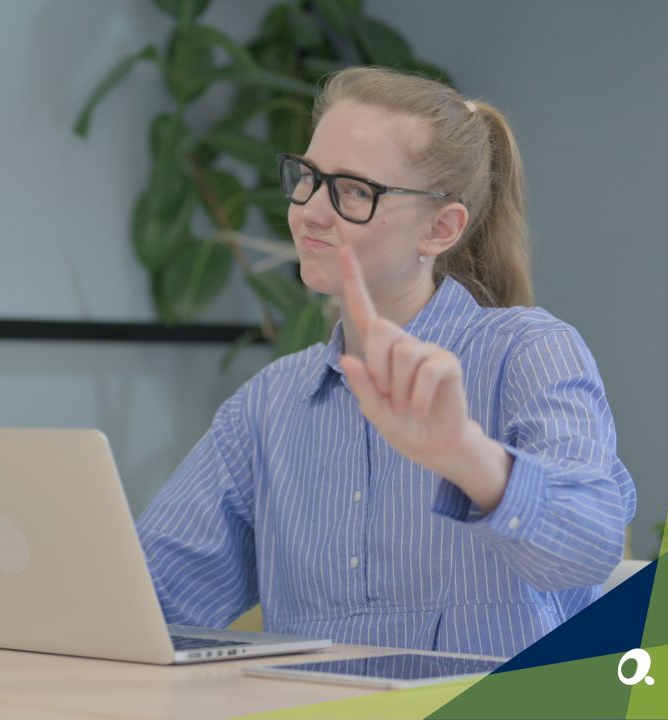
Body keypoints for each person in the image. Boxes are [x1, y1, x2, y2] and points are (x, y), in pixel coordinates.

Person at [136, 66, 636, 659]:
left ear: (440, 229)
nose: (310, 213)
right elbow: (151, 601)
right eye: (309, 179)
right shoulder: (269, 404)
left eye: (352, 191)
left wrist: (465, 456)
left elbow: (590, 544)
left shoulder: (526, 350)